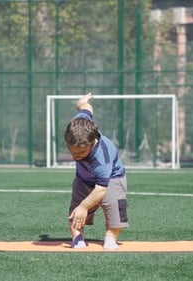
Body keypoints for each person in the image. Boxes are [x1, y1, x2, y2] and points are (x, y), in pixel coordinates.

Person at [64, 93, 128, 250]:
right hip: (83, 178)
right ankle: (78, 238)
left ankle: (111, 237)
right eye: (72, 152)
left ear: (92, 143)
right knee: (75, 209)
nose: (75, 157)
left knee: (115, 207)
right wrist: (82, 102)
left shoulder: (102, 156)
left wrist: (85, 207)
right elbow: (86, 109)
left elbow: (101, 189)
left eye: (80, 153)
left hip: (112, 179)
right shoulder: (79, 124)